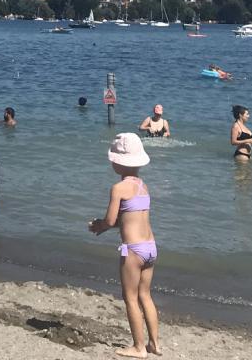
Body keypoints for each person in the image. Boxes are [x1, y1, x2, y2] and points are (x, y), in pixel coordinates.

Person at [88, 133, 161, 358]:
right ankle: (155, 344)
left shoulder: (118, 188)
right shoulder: (143, 186)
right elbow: (130, 217)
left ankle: (139, 347)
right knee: (146, 296)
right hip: (150, 247)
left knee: (130, 297)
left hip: (133, 250)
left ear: (118, 163)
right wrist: (108, 225)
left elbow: (111, 220)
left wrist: (98, 225)